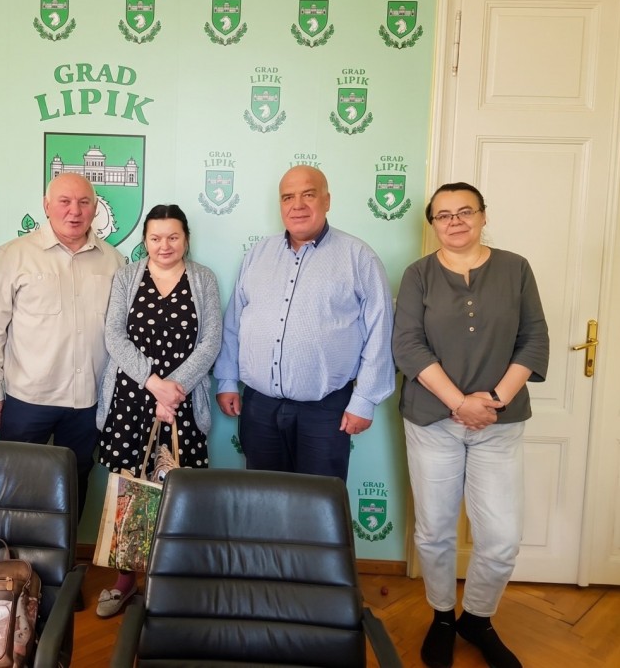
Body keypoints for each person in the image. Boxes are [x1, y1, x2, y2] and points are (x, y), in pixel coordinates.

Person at [392, 182, 549, 668]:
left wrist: (494, 400)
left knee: (501, 539)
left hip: (498, 425)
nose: (455, 221)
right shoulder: (418, 275)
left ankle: (477, 619)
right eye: (444, 215)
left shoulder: (515, 268)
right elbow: (408, 346)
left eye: (465, 211)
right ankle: (442, 617)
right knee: (434, 531)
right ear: (433, 224)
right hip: (432, 422)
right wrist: (460, 403)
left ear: (483, 216)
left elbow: (534, 339)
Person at [213, 165, 395, 481]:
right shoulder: (258, 254)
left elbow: (380, 331)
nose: (297, 205)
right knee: (263, 498)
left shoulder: (358, 257)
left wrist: (365, 399)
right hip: (259, 408)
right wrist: (227, 379)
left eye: (308, 195)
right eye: (288, 197)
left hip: (325, 412)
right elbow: (235, 323)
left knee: (319, 502)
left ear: (327, 200)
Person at [93, 204, 222, 618]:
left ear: (186, 239)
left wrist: (172, 392)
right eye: (155, 238)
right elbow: (114, 336)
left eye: (173, 237)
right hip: (132, 400)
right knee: (130, 489)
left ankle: (173, 579)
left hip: (182, 403)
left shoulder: (203, 279)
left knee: (180, 491)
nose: (164, 245)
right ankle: (125, 579)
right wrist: (154, 384)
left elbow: (211, 342)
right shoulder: (127, 276)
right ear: (145, 240)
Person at [0, 172, 123, 517]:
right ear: (46, 206)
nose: (75, 210)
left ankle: (64, 551)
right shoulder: (14, 254)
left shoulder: (114, 260)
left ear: (95, 208)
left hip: (88, 401)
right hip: (27, 399)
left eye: (84, 202)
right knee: (12, 485)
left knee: (74, 486)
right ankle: (8, 552)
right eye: (64, 201)